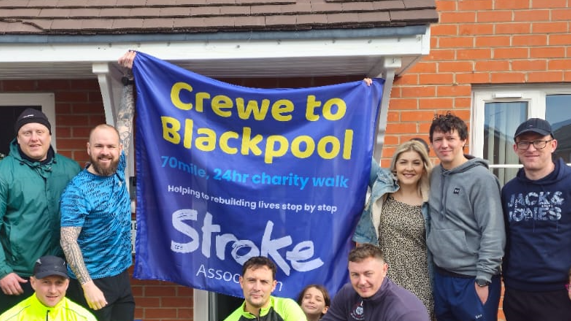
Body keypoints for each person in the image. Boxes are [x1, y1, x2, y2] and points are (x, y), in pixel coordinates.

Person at [59, 50, 137, 321]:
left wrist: (129, 80)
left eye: (111, 146)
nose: (106, 151)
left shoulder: (117, 166)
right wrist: (86, 284)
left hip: (120, 278)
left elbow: (125, 123)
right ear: (89, 149)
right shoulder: (77, 190)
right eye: (99, 146)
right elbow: (68, 241)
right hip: (93, 284)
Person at [426, 112, 505, 321]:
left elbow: (493, 230)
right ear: (432, 143)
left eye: (450, 138)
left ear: (463, 140)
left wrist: (483, 280)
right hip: (442, 277)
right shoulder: (433, 176)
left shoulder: (482, 179)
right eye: (438, 139)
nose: (444, 144)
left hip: (473, 279)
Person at [0, 108, 80, 313]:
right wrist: (3, 271)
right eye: (27, 133)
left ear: (49, 135)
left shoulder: (70, 169)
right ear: (18, 138)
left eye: (39, 132)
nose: (34, 138)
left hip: (61, 277)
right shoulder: (4, 172)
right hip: (19, 278)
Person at [352, 140, 434, 317]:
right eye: (403, 162)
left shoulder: (432, 198)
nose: (409, 168)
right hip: (384, 278)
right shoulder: (382, 184)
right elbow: (362, 153)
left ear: (424, 167)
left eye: (416, 163)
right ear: (395, 166)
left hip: (420, 281)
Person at [501, 118, 571, 321]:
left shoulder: (568, 184)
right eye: (524, 142)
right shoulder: (510, 190)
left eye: (539, 141)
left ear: (553, 145)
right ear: (515, 148)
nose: (531, 148)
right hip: (517, 292)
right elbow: (506, 238)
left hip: (558, 293)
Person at [321, 243, 428, 321]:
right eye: (355, 275)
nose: (362, 282)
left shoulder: (405, 311)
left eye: (368, 274)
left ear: (384, 270)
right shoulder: (347, 293)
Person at [0, 255, 97, 321]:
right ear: (33, 283)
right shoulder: (10, 318)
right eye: (46, 282)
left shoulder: (84, 318)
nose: (53, 290)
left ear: (67, 284)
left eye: (59, 283)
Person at [223, 256, 306, 321]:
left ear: (273, 286)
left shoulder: (287, 308)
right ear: (241, 282)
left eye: (264, 282)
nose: (257, 288)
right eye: (251, 280)